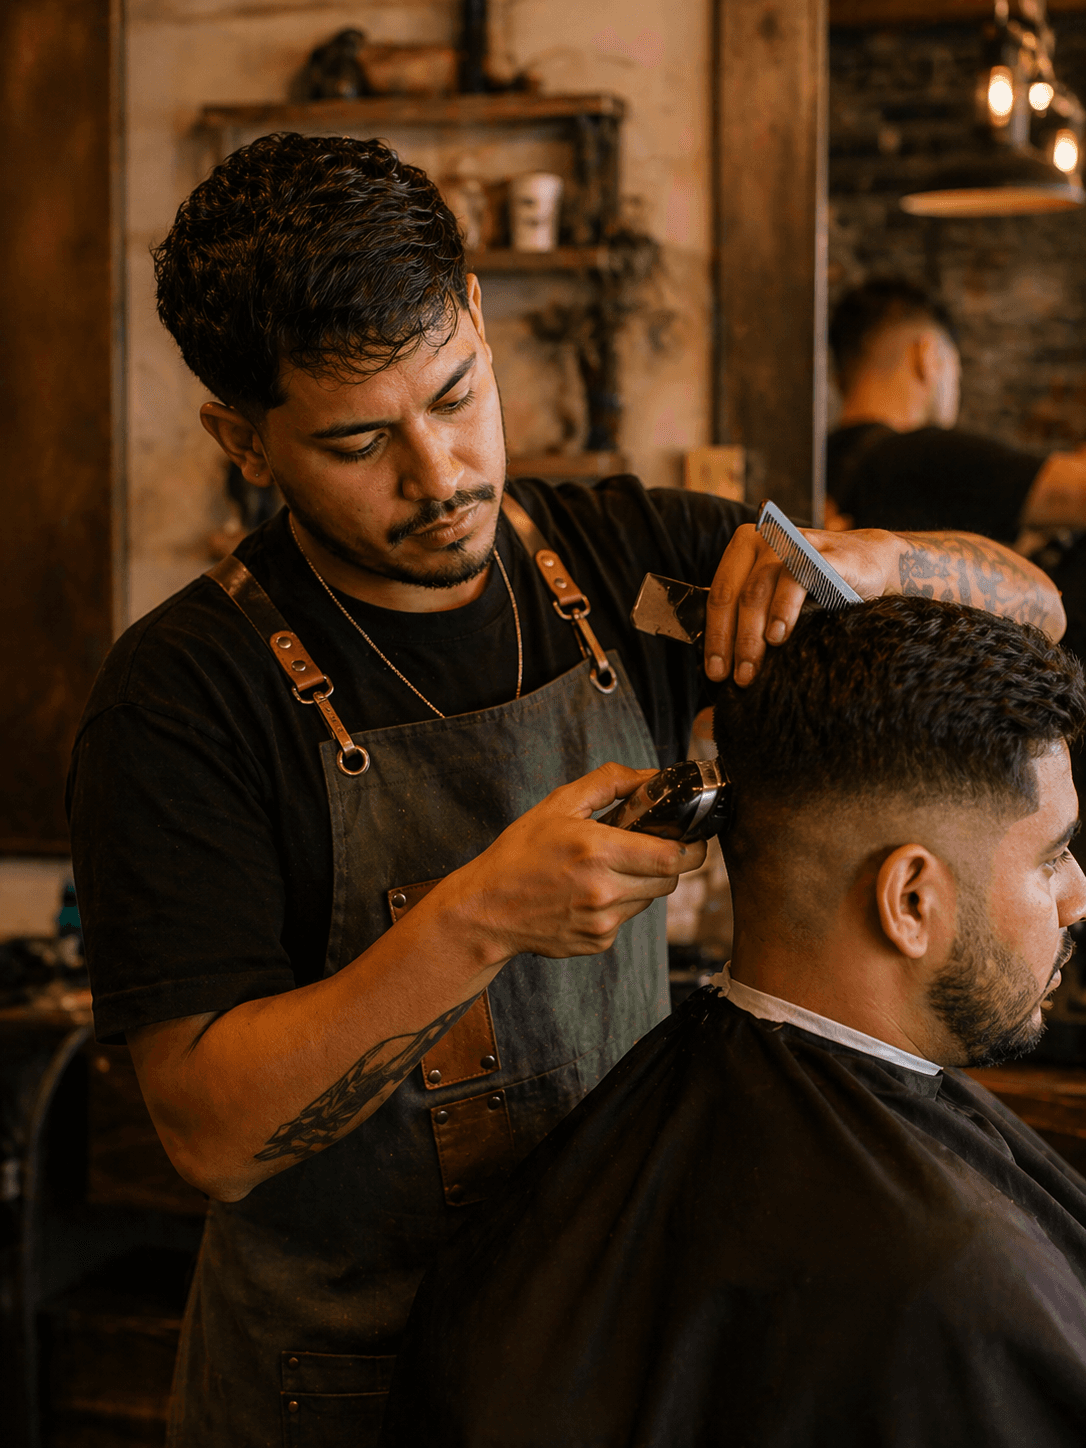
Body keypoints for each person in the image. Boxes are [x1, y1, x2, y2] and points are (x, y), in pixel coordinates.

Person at [65, 133, 1064, 1448]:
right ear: (241, 440)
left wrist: (873, 560)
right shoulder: (183, 695)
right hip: (336, 1391)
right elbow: (209, 1133)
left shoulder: (623, 568)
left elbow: (1033, 614)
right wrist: (477, 919)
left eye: (456, 394)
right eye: (359, 441)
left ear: (478, 317)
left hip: (592, 1344)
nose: (439, 474)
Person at [383, 595, 1086, 1448]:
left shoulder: (597, 1173)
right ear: (910, 901)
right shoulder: (951, 1281)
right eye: (1053, 856)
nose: (1078, 897)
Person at [826, 277, 1086, 541]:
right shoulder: (932, 457)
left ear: (838, 378)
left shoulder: (819, 470)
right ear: (927, 356)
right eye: (956, 370)